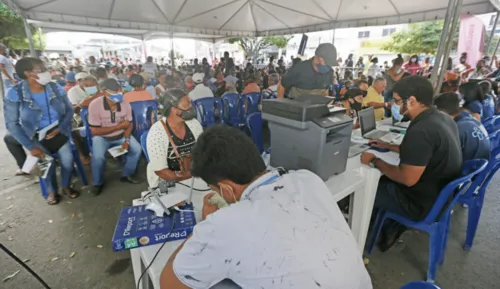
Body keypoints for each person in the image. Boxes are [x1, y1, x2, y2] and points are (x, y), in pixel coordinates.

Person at [159, 125, 372, 289]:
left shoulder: (224, 224)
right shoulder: (308, 180)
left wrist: (205, 226)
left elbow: (169, 283)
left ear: (226, 190)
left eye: (213, 189)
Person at [361, 76, 462, 251]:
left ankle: (370, 232)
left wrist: (375, 160)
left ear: (412, 101)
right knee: (383, 178)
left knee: (366, 186)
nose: (395, 105)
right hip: (440, 196)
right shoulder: (442, 118)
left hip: (420, 204)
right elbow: (429, 151)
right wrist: (390, 146)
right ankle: (388, 225)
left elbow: (407, 178)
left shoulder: (421, 130)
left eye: (398, 101)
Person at [4, 58, 80, 205]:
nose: (47, 72)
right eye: (41, 69)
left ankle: (65, 186)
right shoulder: (15, 93)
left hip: (59, 131)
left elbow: (69, 110)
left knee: (68, 162)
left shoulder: (54, 87)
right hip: (34, 134)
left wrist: (60, 128)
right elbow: (12, 124)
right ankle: (52, 191)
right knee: (46, 165)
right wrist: (30, 146)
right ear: (28, 73)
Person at [87, 79, 142, 195]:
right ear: (105, 93)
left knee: (137, 149)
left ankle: (127, 174)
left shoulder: (125, 103)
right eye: (115, 91)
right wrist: (118, 127)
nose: (119, 93)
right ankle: (98, 183)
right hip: (101, 137)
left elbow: (129, 125)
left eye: (119, 90)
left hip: (122, 135)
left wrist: (126, 140)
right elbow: (95, 131)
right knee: (98, 158)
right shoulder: (95, 105)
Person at [146, 89, 203, 187]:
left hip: (193, 176)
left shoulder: (194, 124)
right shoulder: (156, 132)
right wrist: (185, 179)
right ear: (172, 109)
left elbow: (202, 153)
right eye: (186, 105)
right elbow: (161, 171)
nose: (191, 108)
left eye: (190, 103)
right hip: (168, 182)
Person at [434, 92, 490, 161]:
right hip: (481, 164)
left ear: (442, 112)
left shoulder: (457, 129)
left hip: (467, 168)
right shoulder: (470, 119)